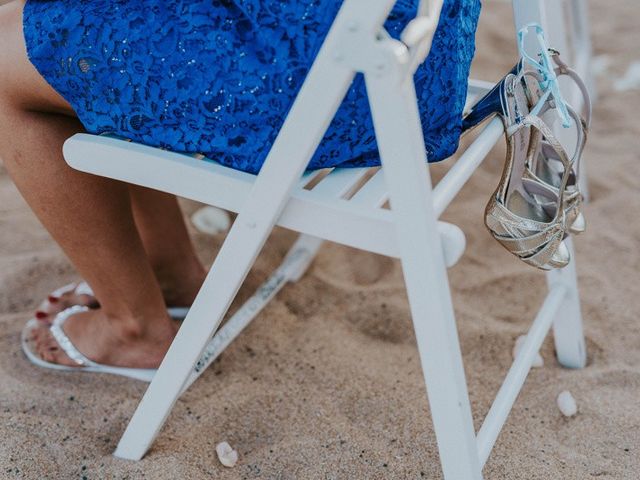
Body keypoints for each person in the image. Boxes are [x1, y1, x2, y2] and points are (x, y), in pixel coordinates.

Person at [0, 0, 480, 375]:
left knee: (9, 54)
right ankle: (171, 274)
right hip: (421, 57)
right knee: (72, 25)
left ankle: (134, 328)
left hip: (325, 80)